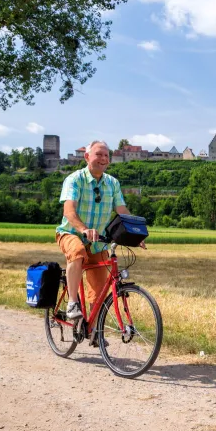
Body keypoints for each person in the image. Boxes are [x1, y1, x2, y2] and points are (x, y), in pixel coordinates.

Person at [55, 140, 142, 339]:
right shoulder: (75, 179)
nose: (103, 159)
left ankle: (91, 329)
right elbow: (69, 210)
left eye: (106, 155)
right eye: (98, 154)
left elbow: (122, 211)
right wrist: (84, 229)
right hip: (71, 233)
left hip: (98, 242)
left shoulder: (112, 183)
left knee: (100, 290)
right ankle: (72, 303)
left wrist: (135, 235)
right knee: (77, 252)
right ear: (87, 157)